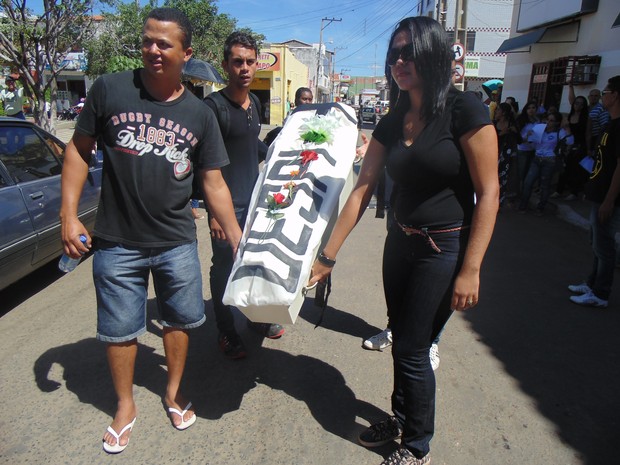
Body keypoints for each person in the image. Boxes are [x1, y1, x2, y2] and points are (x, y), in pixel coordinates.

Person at [309, 16, 499, 465]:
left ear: (433, 54)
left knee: (413, 347)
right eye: (395, 53)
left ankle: (417, 446)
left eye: (408, 52)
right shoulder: (395, 119)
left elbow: (489, 192)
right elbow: (362, 188)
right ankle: (400, 418)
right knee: (404, 340)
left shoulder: (465, 110)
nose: (398, 61)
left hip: (444, 249)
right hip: (400, 244)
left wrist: (471, 268)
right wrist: (327, 255)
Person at [59, 8, 242, 453]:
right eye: (148, 41)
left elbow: (213, 181)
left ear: (186, 53)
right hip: (117, 241)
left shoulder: (200, 114)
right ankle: (124, 405)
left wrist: (238, 239)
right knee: (118, 329)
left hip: (176, 241)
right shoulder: (111, 89)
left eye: (164, 44)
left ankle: (174, 391)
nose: (153, 50)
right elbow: (78, 151)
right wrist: (68, 215)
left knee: (178, 323)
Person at [204, 31, 284, 360]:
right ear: (226, 65)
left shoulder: (256, 104)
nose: (245, 68)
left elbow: (253, 146)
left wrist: (284, 152)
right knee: (223, 267)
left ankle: (255, 320)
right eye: (238, 62)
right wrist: (213, 213)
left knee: (254, 264)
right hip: (226, 207)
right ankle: (226, 330)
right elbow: (204, 165)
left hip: (255, 205)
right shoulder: (214, 107)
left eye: (250, 62)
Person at [568, 76, 620, 308]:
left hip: (609, 198)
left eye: (607, 92)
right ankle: (592, 283)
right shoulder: (611, 122)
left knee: (605, 245)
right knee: (597, 242)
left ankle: (600, 293)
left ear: (615, 95)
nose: (603, 96)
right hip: (599, 194)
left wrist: (610, 200)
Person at [518, 111, 574, 216]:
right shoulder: (539, 129)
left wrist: (568, 130)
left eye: (551, 121)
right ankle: (523, 205)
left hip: (550, 160)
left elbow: (570, 142)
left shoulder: (559, 132)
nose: (548, 122)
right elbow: (525, 141)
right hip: (537, 158)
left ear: (557, 123)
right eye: (547, 120)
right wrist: (528, 135)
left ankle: (541, 207)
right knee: (528, 182)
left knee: (545, 185)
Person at [554, 95, 589, 200]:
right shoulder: (569, 116)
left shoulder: (587, 118)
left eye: (581, 104)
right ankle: (558, 190)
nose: (578, 105)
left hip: (580, 145)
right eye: (576, 103)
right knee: (564, 168)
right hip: (568, 146)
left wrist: (589, 148)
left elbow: (588, 134)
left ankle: (574, 192)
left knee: (576, 169)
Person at [494, 102, 519, 206]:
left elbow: (519, 140)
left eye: (498, 109)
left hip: (506, 155)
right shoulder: (493, 123)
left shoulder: (511, 125)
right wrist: (500, 134)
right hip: (494, 154)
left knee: (503, 178)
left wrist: (515, 132)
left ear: (503, 112)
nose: (496, 111)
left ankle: (499, 201)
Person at [515, 101, 540, 195]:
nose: (531, 110)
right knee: (521, 173)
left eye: (533, 107)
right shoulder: (521, 120)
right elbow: (518, 137)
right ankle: (518, 193)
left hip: (533, 150)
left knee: (529, 175)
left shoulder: (537, 121)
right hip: (522, 149)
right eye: (529, 108)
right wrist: (527, 136)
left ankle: (525, 194)